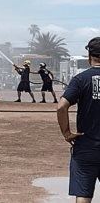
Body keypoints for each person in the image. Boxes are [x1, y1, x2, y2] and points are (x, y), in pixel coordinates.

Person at [57, 37, 100, 202]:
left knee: (83, 195)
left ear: (89, 56)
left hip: (86, 147)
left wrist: (67, 133)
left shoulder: (80, 79)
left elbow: (61, 107)